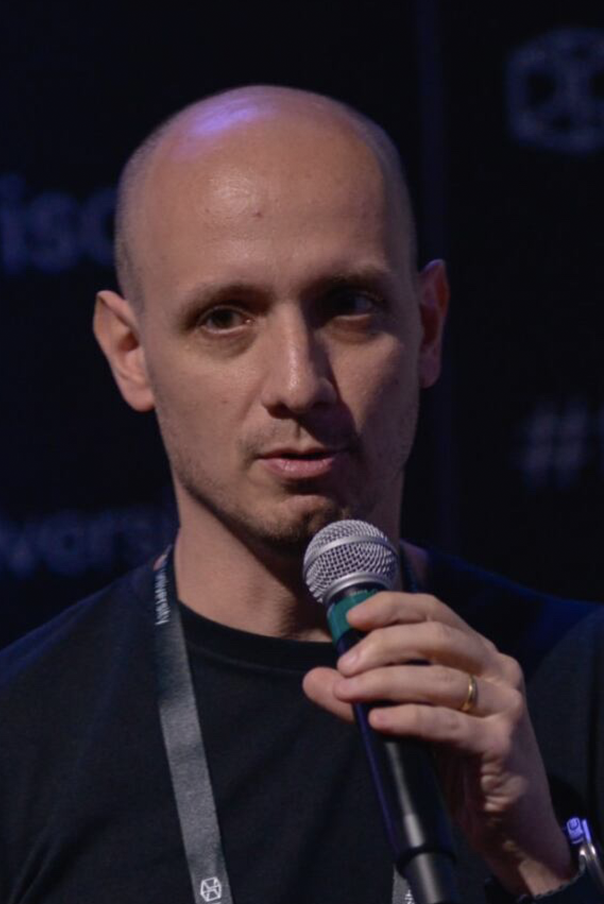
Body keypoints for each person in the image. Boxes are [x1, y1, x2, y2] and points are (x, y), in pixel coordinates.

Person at [1, 85, 603, 904]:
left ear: (427, 327)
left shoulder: (580, 683)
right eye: (225, 317)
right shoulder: (22, 738)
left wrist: (538, 867)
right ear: (131, 352)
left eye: (348, 306)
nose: (298, 382)